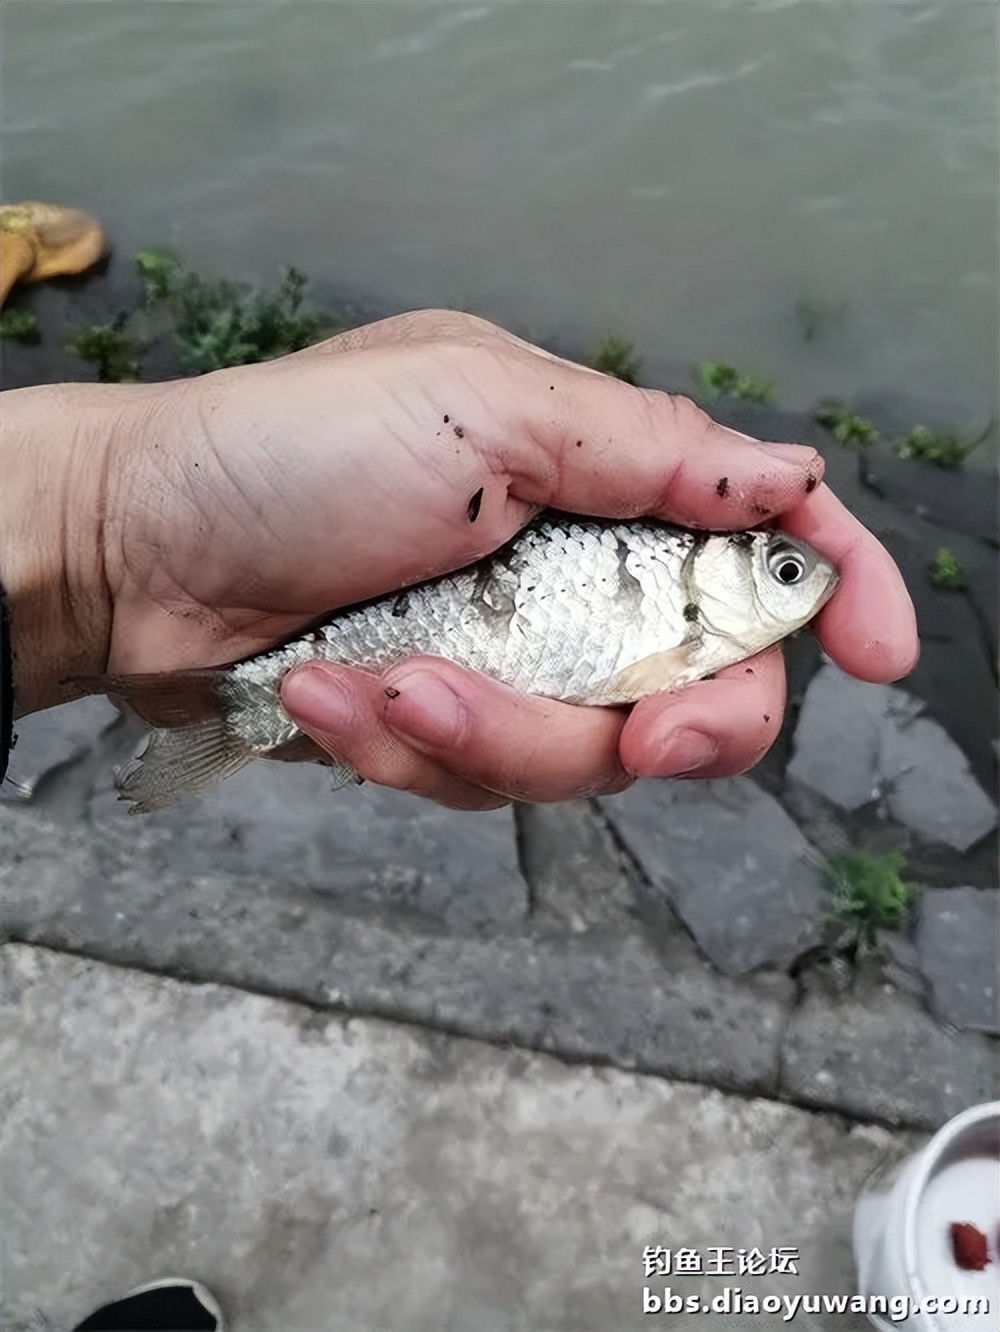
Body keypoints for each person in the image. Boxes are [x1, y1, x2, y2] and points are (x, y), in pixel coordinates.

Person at [0, 310, 917, 1332]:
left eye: (787, 573)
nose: (801, 584)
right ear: (722, 574)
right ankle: (242, 701)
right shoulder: (677, 589)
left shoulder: (685, 587)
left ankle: (234, 693)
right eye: (784, 573)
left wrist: (98, 530)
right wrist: (97, 533)